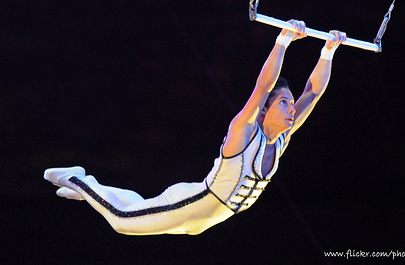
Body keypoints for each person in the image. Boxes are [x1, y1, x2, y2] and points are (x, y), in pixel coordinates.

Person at [44, 20, 346, 235]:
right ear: (265, 108)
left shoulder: (281, 140)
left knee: (140, 206)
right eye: (284, 103)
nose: (292, 108)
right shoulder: (244, 131)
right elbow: (263, 85)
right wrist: (283, 41)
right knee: (124, 220)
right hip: (193, 201)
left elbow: (313, 92)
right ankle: (77, 179)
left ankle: (90, 191)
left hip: (205, 220)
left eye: (291, 104)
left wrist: (329, 50)